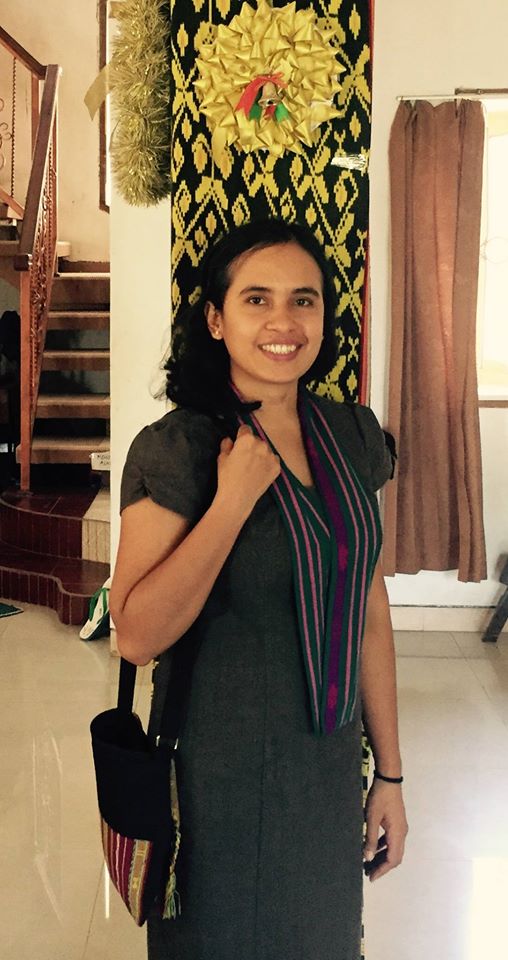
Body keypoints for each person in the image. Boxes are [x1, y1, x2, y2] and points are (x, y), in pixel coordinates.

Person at [110, 218, 408, 960]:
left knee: (320, 939)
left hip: (326, 765)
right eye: (257, 299)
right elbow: (135, 634)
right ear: (216, 319)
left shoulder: (351, 437)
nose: (284, 322)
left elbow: (369, 610)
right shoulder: (180, 448)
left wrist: (391, 774)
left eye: (304, 300)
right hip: (217, 771)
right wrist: (232, 501)